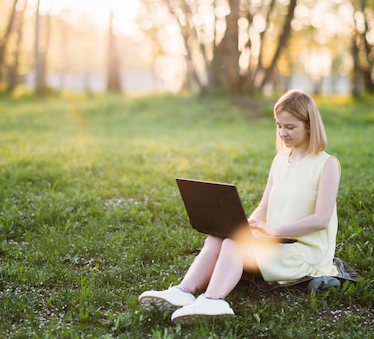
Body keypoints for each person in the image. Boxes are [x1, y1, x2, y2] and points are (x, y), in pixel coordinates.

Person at [138, 89, 341, 324]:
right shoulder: (280, 160)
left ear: (309, 126)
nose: (283, 133)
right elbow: (264, 206)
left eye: (290, 127)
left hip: (304, 252)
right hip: (277, 242)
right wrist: (247, 227)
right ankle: (183, 292)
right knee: (219, 237)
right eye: (279, 126)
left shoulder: (327, 165)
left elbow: (321, 219)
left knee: (234, 246)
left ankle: (213, 300)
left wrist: (276, 231)